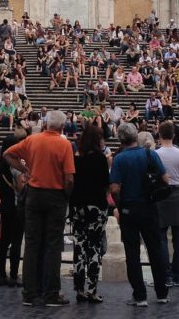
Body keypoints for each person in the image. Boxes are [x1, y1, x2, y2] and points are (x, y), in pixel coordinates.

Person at [4, 110, 75, 307]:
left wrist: (25, 169)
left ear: (46, 124)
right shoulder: (64, 144)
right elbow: (69, 178)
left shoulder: (32, 140)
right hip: (55, 195)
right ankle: (51, 293)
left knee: (32, 244)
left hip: (34, 194)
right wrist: (66, 195)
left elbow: (7, 154)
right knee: (53, 245)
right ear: (62, 127)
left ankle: (30, 293)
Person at [109, 122, 170, 306]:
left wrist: (120, 204)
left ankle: (140, 295)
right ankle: (162, 293)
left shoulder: (119, 159)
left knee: (132, 253)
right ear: (136, 136)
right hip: (150, 207)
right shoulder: (150, 154)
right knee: (155, 250)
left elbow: (114, 188)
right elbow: (165, 179)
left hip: (129, 208)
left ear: (120, 139)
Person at [70, 124, 109, 303]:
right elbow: (106, 184)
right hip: (96, 206)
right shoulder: (100, 159)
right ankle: (92, 289)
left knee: (79, 246)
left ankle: (79, 289)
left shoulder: (76, 159)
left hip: (78, 206)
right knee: (94, 247)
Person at [155, 120, 179, 287]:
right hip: (177, 194)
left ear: (159, 134)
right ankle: (178, 276)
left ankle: (166, 276)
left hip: (161, 194)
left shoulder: (156, 154)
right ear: (174, 135)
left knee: (161, 237)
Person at [0, 129, 26, 288]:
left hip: (5, 206)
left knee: (4, 241)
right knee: (16, 241)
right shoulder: (15, 166)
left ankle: (1, 275)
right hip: (16, 206)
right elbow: (20, 187)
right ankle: (13, 275)